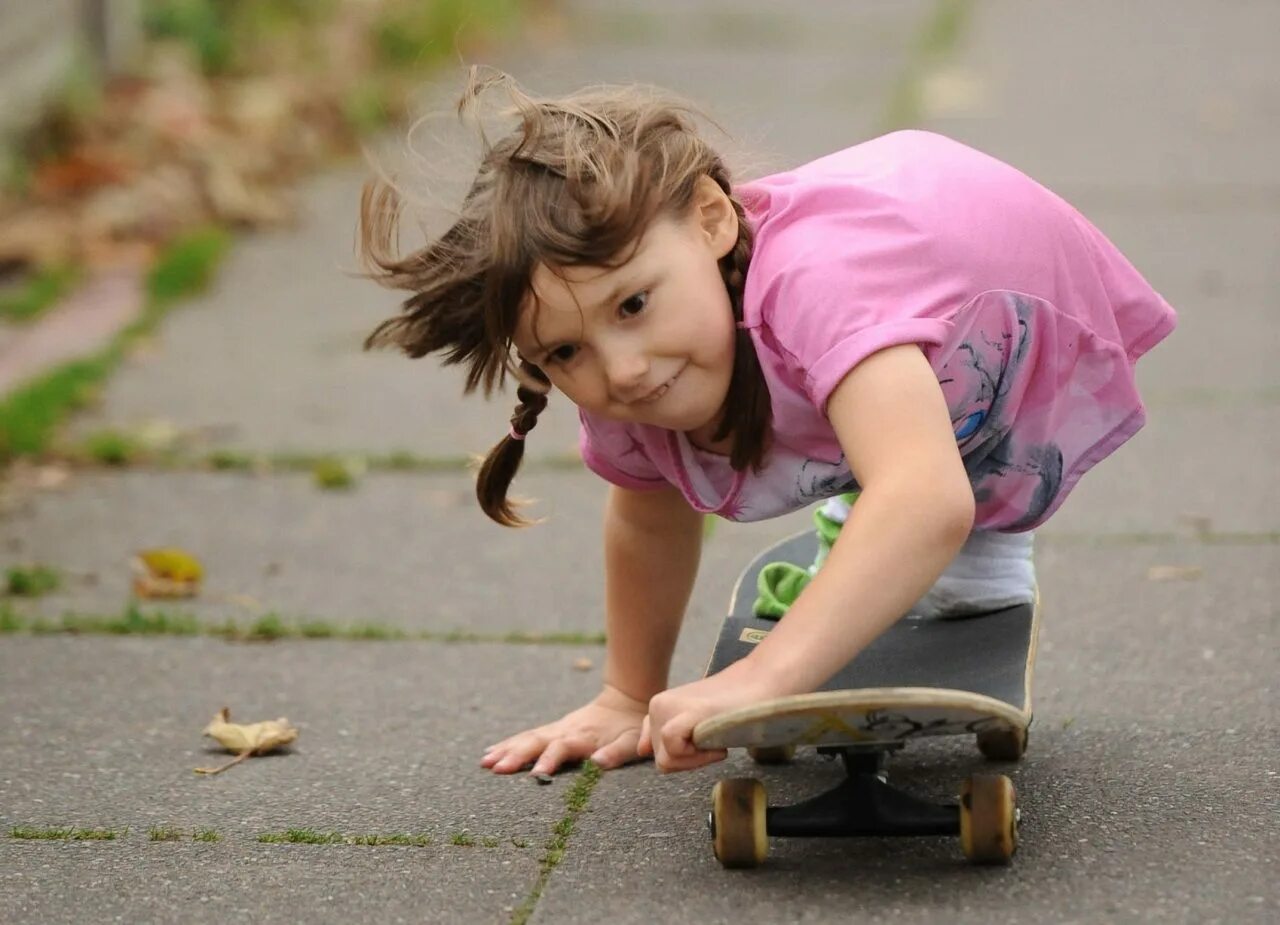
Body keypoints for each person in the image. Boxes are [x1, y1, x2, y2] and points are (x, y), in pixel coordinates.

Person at [358, 69, 1176, 777]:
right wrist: (626, 694)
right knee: (873, 454)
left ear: (712, 219)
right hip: (869, 313)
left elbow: (928, 497)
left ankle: (953, 542)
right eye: (567, 350)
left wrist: (767, 674)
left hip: (983, 283)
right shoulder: (621, 376)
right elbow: (648, 521)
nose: (623, 368)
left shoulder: (820, 287)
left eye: (635, 303)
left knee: (928, 477)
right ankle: (866, 508)